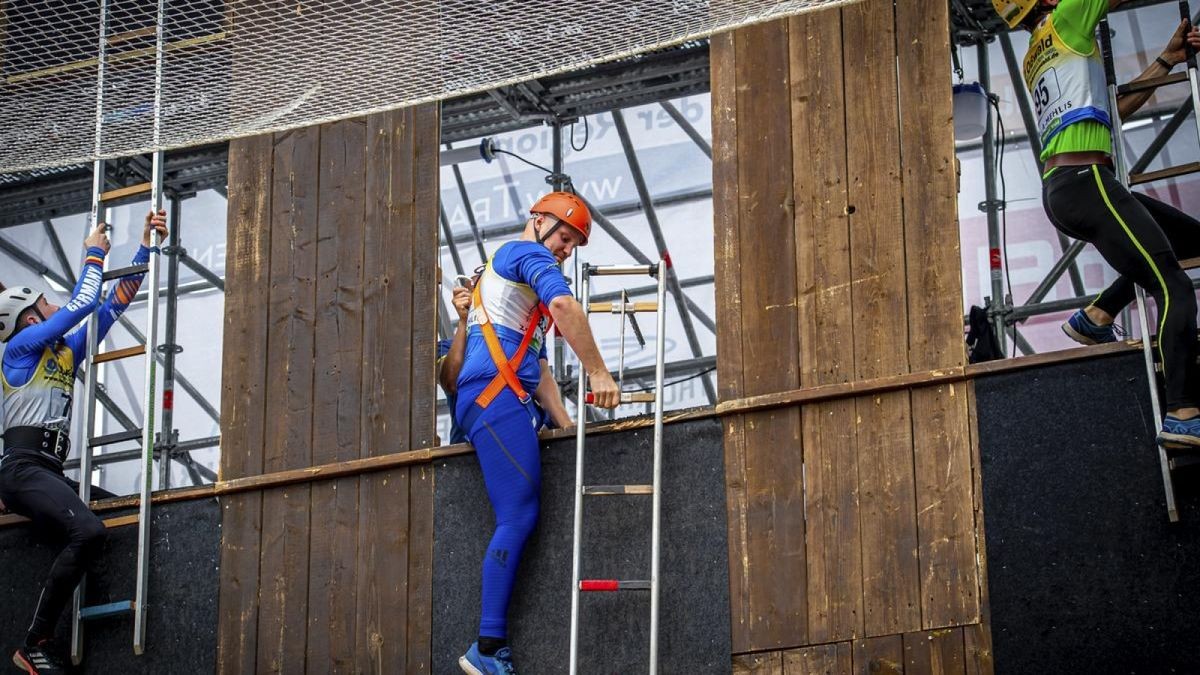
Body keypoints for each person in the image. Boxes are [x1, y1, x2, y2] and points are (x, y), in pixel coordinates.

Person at [998, 0, 1200, 446]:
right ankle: (1183, 412)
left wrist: (1168, 58)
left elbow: (1116, 109)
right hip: (1085, 181)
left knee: (1187, 240)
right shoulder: (1069, 18)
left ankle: (1098, 314)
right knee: (1174, 286)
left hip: (1071, 184)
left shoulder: (1039, 49)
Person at [456, 192, 618, 675]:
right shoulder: (529, 254)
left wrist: (564, 424)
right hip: (495, 398)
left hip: (499, 395)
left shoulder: (499, 272)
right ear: (538, 221)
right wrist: (598, 372)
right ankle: (486, 646)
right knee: (517, 516)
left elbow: (536, 366)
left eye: (573, 245)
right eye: (565, 237)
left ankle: (488, 645)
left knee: (518, 515)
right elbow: (565, 305)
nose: (566, 250)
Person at [0, 210, 168, 674]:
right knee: (89, 531)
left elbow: (111, 304)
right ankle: (33, 642)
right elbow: (81, 304)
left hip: (45, 472)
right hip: (22, 468)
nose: (56, 305)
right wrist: (94, 253)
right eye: (47, 303)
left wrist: (144, 248)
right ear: (30, 317)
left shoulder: (64, 353)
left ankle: (37, 640)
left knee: (87, 531)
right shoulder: (18, 350)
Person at [438, 273, 572, 446]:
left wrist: (568, 427)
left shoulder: (524, 339)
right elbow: (451, 382)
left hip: (524, 432)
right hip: (472, 445)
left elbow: (543, 377)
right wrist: (465, 320)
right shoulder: (448, 348)